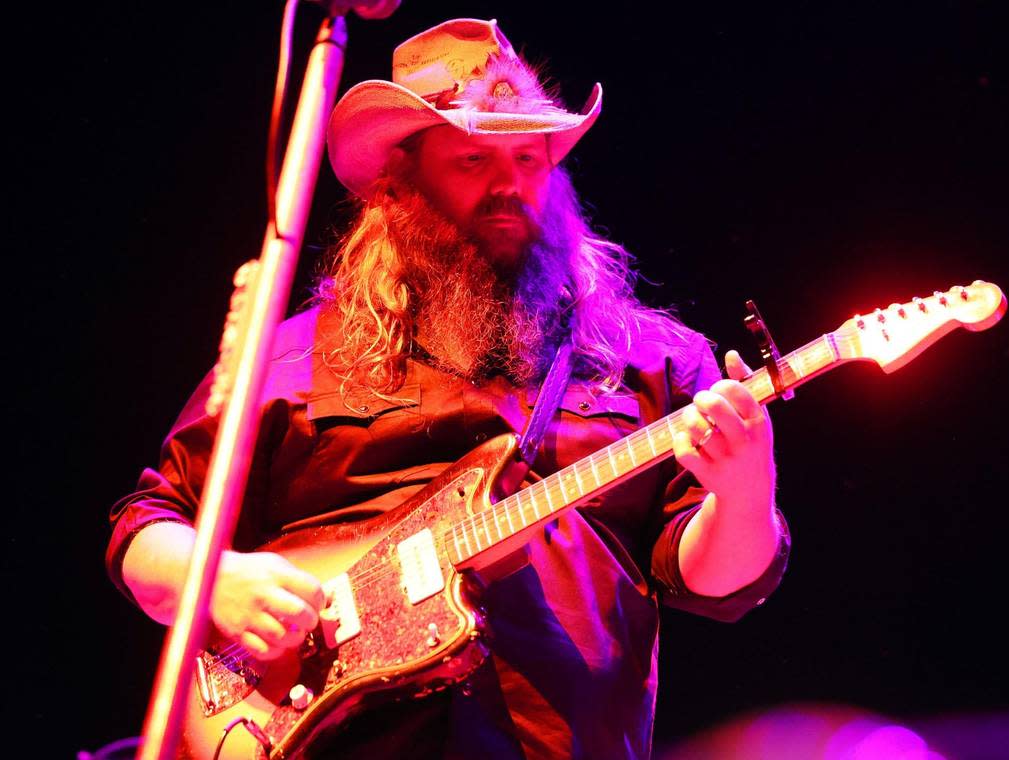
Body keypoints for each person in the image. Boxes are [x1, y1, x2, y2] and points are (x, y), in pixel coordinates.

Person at [107, 17, 791, 759]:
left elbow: (722, 584)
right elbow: (149, 523)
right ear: (401, 181)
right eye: (472, 158)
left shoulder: (649, 360)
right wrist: (214, 582)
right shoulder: (293, 358)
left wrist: (745, 490)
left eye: (529, 157)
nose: (508, 185)